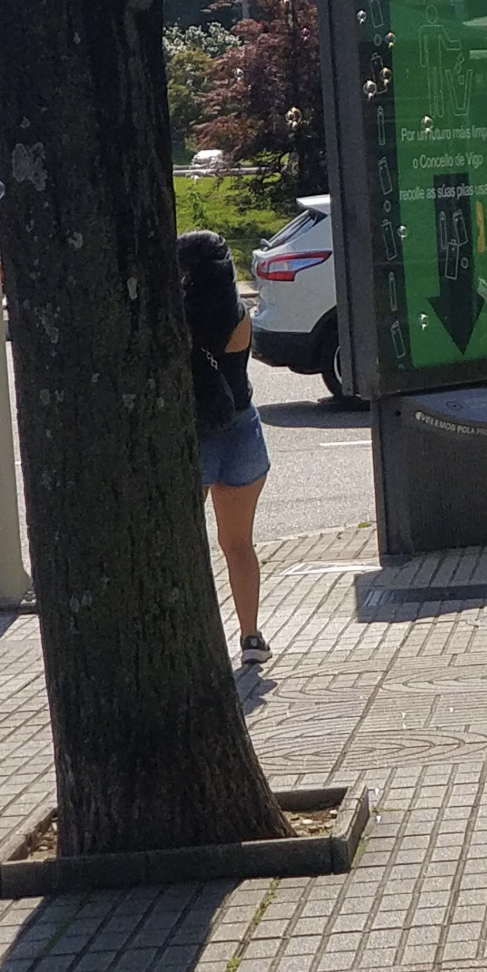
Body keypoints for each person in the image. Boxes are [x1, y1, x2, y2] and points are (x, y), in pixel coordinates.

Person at [178, 230, 273, 665]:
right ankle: (251, 637)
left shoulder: (179, 320)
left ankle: (191, 640)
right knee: (238, 544)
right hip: (241, 430)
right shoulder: (239, 318)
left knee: (183, 546)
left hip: (194, 436)